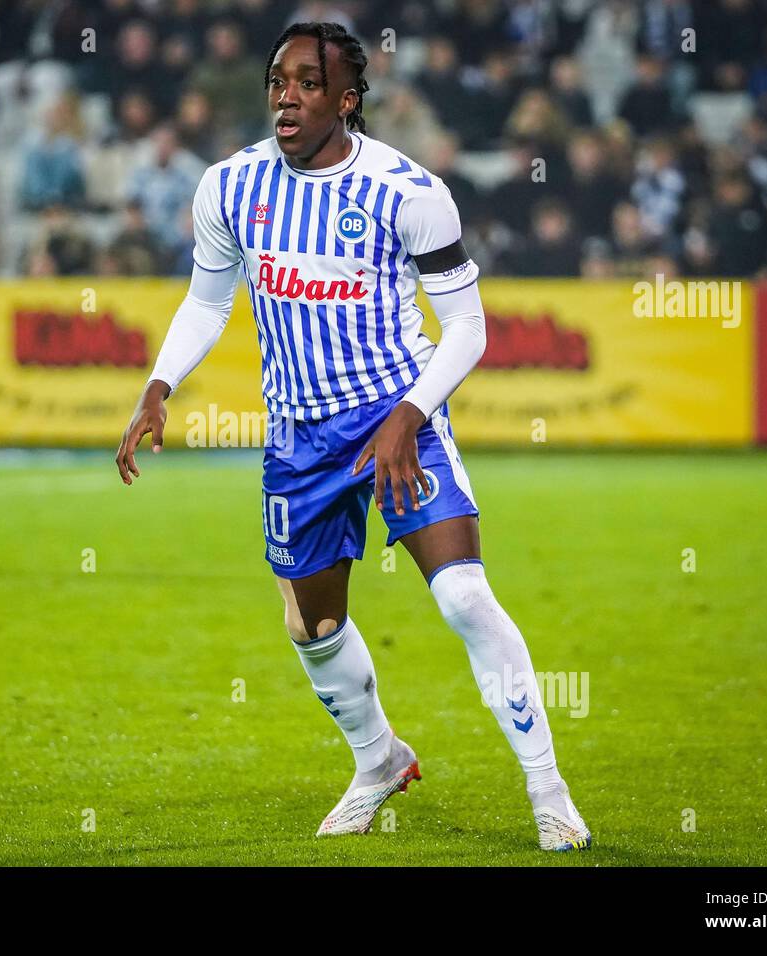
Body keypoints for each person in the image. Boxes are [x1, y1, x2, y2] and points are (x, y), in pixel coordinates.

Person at [115, 22, 591, 851]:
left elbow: (468, 327)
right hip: (298, 438)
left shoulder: (408, 192)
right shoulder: (230, 186)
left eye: (306, 84)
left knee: (464, 596)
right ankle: (378, 759)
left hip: (397, 420)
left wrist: (409, 415)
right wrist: (160, 386)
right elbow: (206, 301)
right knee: (311, 628)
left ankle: (548, 790)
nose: (285, 99)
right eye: (276, 82)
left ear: (347, 99)